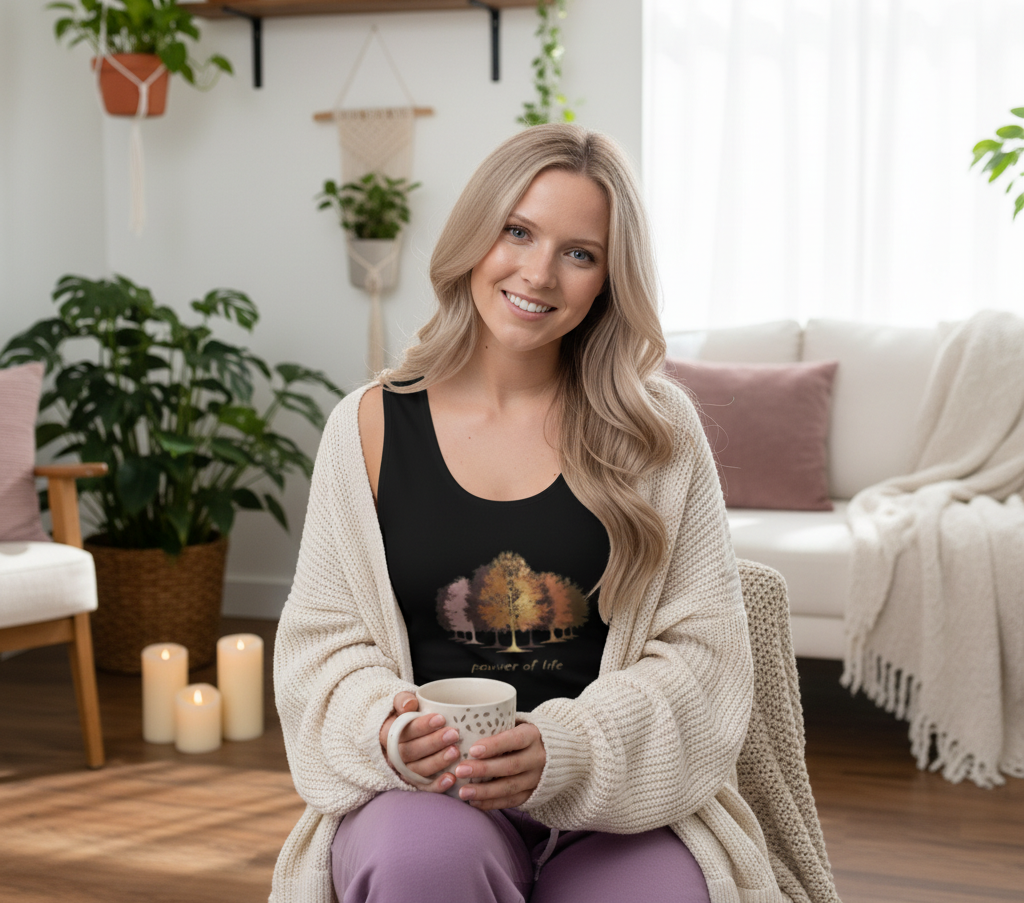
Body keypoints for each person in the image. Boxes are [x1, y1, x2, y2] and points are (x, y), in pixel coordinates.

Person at [271, 125, 784, 903]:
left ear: (610, 279)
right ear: (476, 234)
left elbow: (706, 663)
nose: (539, 274)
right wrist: (388, 733)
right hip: (429, 796)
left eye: (579, 253)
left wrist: (568, 749)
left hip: (619, 807)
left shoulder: (659, 432)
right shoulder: (367, 426)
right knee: (420, 868)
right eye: (518, 231)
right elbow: (321, 645)